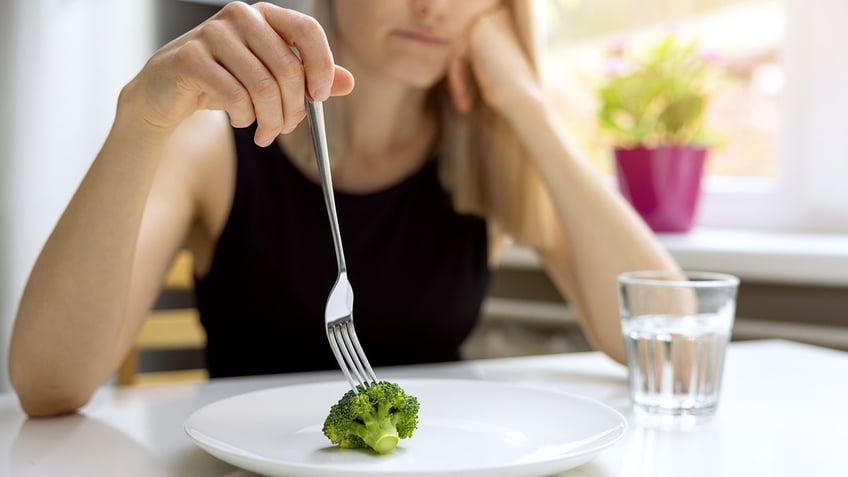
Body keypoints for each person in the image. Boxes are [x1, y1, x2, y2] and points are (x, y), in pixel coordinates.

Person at [9, 0, 677, 417]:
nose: (434, 6)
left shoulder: (489, 153)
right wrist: (141, 121)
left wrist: (527, 102)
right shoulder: (215, 144)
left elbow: (669, 344)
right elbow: (47, 384)